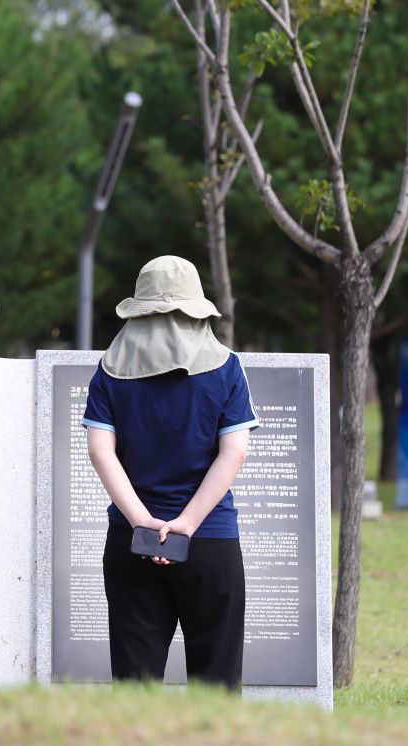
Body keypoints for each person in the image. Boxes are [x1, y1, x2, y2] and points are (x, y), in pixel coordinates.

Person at [82, 255, 258, 690]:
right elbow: (234, 453)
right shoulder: (227, 368)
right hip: (210, 540)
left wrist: (143, 521)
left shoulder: (108, 372)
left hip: (131, 542)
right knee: (216, 686)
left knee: (135, 687)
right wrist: (187, 523)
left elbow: (100, 451)